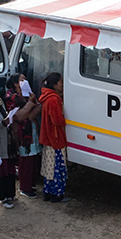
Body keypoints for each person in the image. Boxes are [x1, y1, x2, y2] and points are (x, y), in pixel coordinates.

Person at [7, 73, 43, 197]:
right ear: (16, 83)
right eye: (22, 79)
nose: (25, 81)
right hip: (22, 134)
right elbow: (18, 116)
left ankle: (31, 185)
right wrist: (30, 106)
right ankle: (25, 187)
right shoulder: (11, 97)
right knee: (25, 161)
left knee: (33, 159)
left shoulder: (28, 95)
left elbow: (39, 107)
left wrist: (28, 114)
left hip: (31, 130)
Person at [39, 71, 70, 202]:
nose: (62, 85)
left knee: (48, 167)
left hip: (48, 138)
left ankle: (48, 192)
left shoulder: (47, 97)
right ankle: (57, 194)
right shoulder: (54, 99)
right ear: (55, 84)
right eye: (61, 82)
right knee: (57, 168)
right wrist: (66, 121)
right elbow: (57, 120)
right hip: (55, 138)